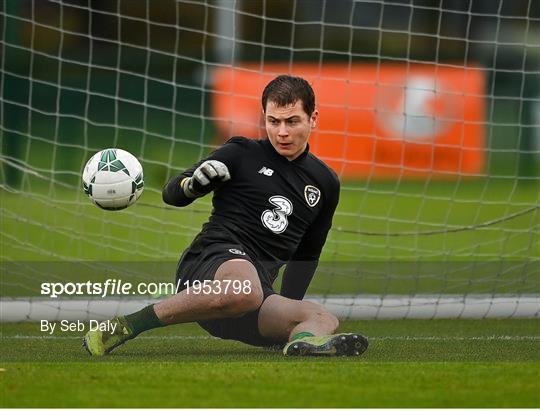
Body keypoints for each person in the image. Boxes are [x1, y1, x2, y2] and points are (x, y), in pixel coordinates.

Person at [83, 75, 368, 357]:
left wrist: (286, 306)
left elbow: (307, 255)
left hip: (253, 300)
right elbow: (172, 193)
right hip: (208, 267)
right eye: (273, 121)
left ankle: (302, 343)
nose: (282, 132)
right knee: (245, 289)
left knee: (322, 318)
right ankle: (124, 326)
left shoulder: (325, 182)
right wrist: (194, 185)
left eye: (292, 121)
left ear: (313, 118)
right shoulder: (241, 153)